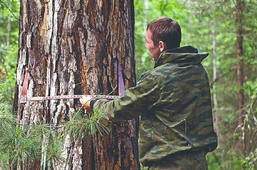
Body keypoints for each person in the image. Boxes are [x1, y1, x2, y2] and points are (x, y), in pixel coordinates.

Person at [80, 16, 217, 170]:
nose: (146, 46)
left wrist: (93, 103)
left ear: (161, 45)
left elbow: (120, 109)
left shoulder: (157, 78)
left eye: (148, 42)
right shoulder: (198, 70)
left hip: (168, 164)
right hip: (198, 163)